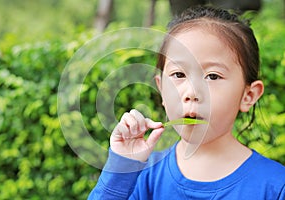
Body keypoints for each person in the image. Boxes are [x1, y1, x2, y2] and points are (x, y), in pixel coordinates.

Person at [88, 6, 285, 199]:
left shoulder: (275, 187)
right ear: (162, 89)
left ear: (248, 96)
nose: (192, 92)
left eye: (213, 76)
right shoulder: (140, 176)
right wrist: (121, 168)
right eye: (179, 74)